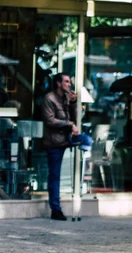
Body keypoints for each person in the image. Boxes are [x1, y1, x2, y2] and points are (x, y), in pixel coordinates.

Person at [42, 73, 93, 221]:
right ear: (58, 83)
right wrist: (70, 124)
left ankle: (83, 174)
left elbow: (76, 117)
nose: (69, 84)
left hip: (67, 138)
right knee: (55, 176)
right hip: (54, 142)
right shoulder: (49, 99)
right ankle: (55, 209)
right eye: (66, 82)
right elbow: (50, 121)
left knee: (87, 140)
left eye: (69, 82)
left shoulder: (66, 98)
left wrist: (73, 103)